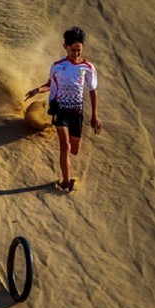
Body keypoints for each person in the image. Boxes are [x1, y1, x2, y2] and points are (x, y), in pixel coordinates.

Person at [25, 26, 102, 192]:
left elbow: (92, 90)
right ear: (65, 46)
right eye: (73, 50)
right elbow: (50, 85)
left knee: (74, 150)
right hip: (60, 110)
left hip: (76, 112)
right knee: (65, 146)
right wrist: (37, 90)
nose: (76, 54)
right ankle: (66, 182)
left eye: (79, 50)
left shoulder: (88, 67)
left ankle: (45, 124)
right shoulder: (58, 66)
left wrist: (94, 115)